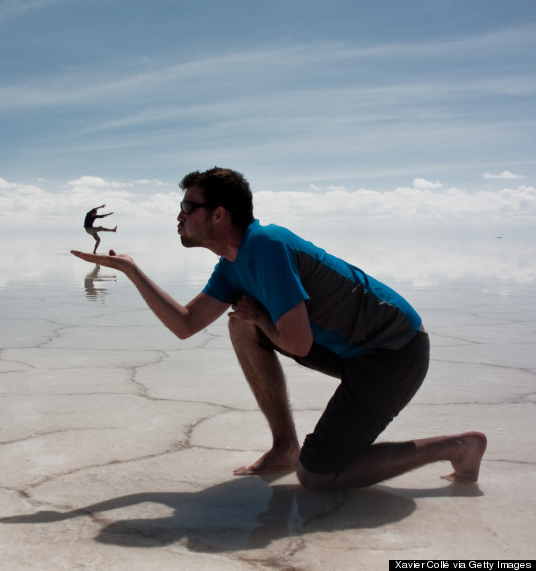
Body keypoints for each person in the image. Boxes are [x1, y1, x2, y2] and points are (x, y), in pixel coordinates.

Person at [71, 167, 486, 490]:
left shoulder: (266, 244)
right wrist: (130, 269)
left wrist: (262, 317)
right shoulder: (232, 266)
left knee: (318, 478)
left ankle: (457, 446)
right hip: (351, 352)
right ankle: (284, 447)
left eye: (187, 207)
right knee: (241, 327)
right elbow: (185, 324)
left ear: (219, 214)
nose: (178, 216)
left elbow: (299, 343)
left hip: (394, 354)